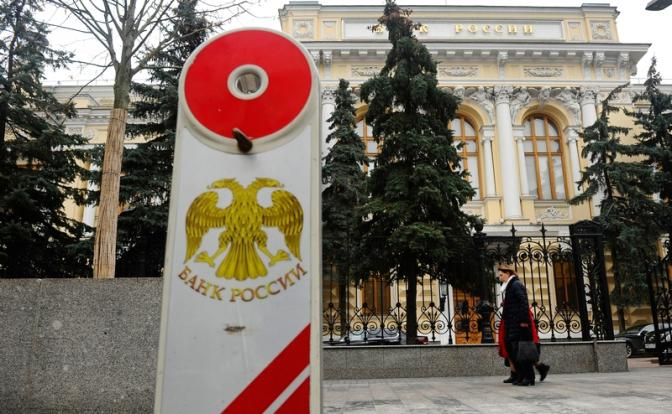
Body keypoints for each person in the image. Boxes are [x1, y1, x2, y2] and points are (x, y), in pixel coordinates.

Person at [496, 263, 535, 386]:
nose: (499, 277)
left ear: (508, 274)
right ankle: (520, 376)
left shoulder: (516, 285)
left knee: (522, 351)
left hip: (518, 324)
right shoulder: (510, 286)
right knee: (513, 350)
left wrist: (524, 322)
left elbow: (523, 302)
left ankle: (528, 378)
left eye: (501, 275)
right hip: (512, 324)